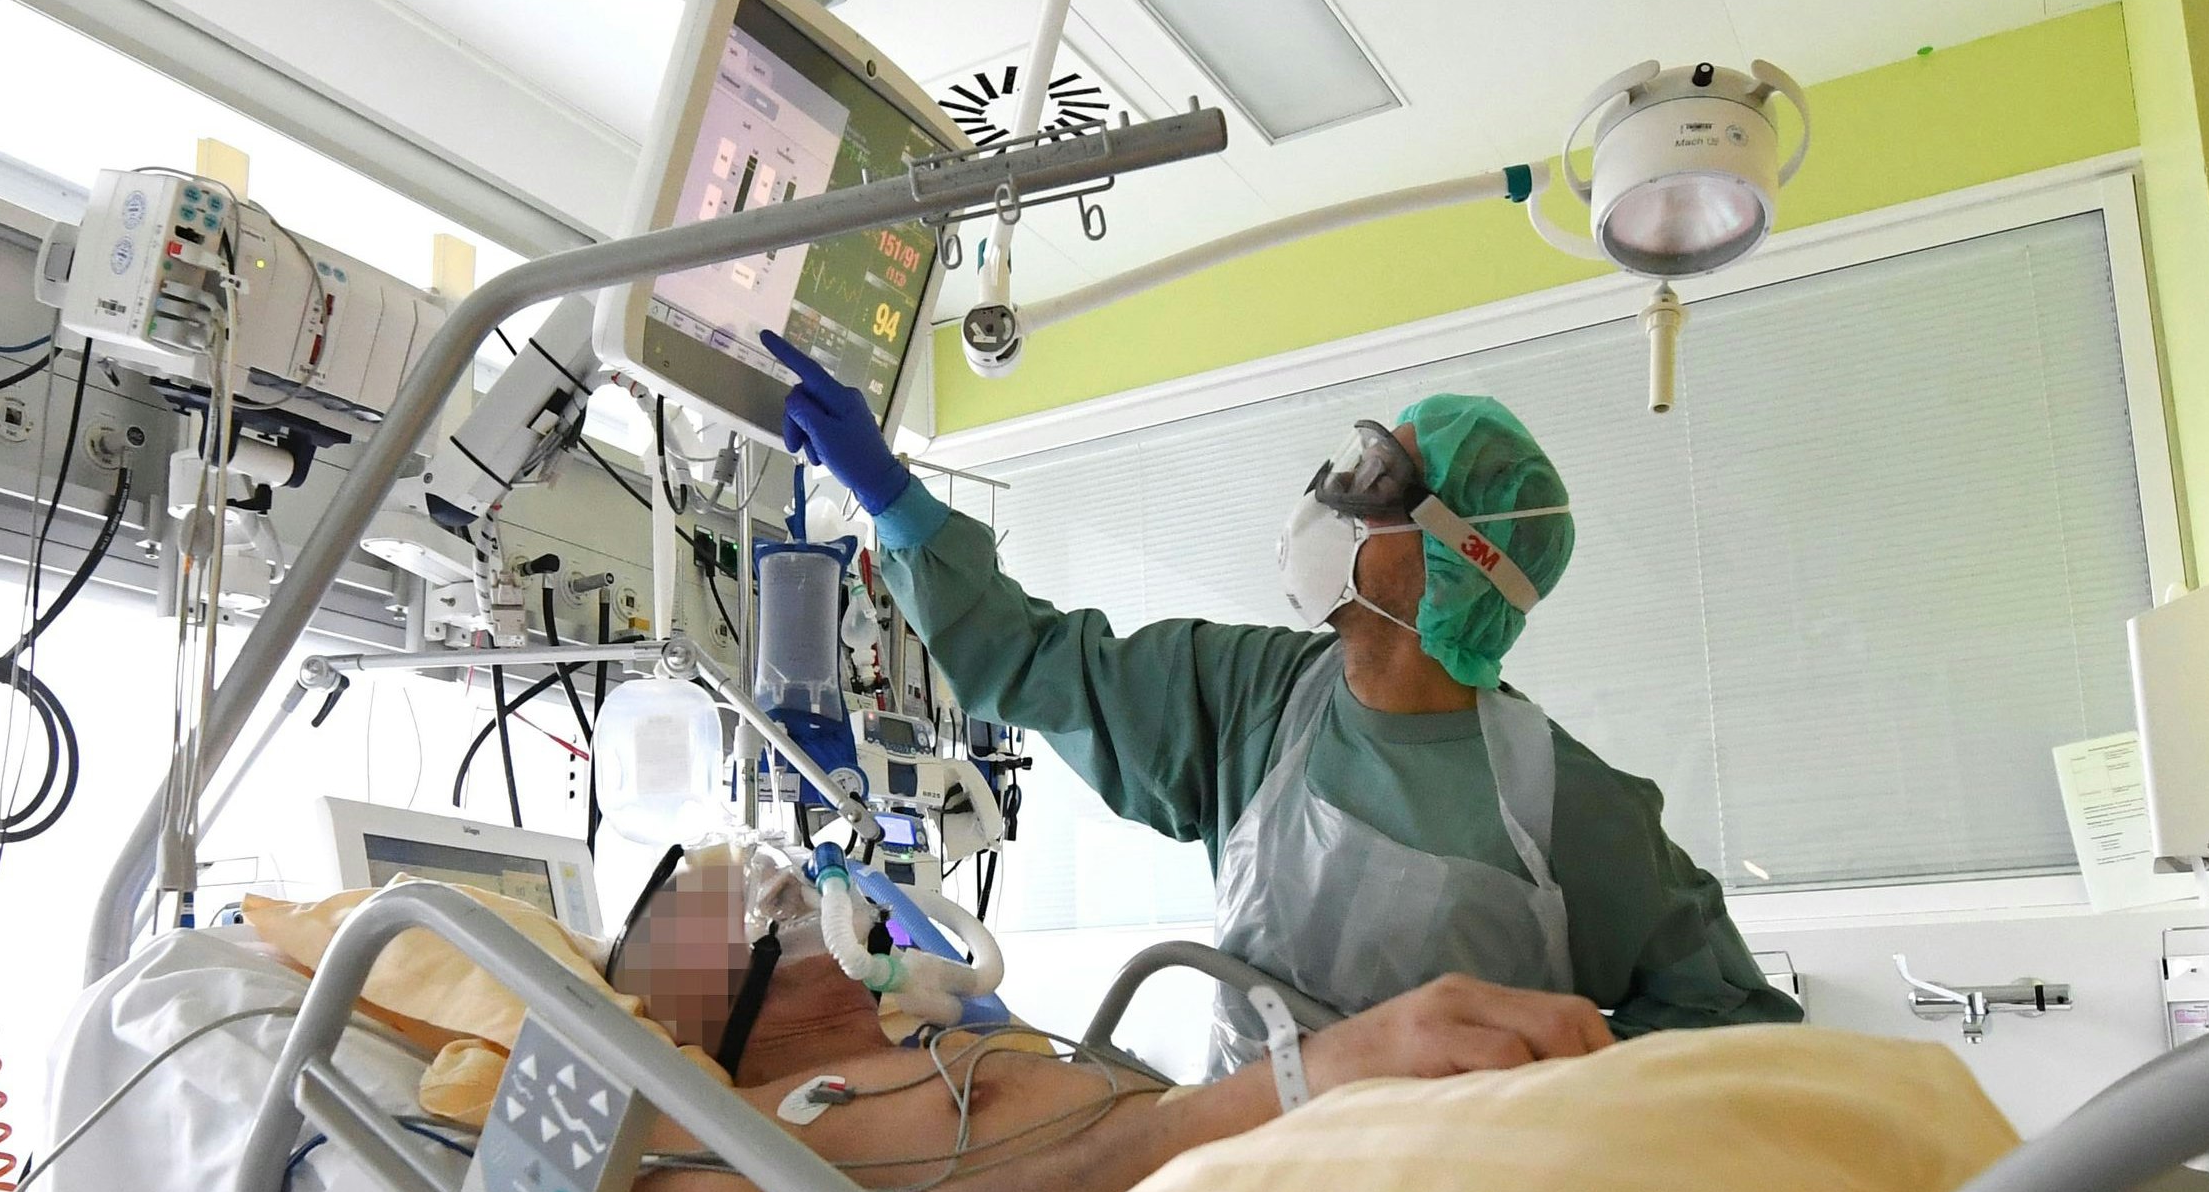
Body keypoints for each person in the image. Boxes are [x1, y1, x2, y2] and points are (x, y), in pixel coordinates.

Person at [765, 332, 1793, 1058]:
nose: (1333, 493)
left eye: (1379, 481)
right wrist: (892, 499)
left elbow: (1738, 1027)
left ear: (1454, 561)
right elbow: (1034, 661)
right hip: (1243, 1168)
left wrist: (1531, 1080)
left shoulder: (1563, 805)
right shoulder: (1254, 697)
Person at [606, 848, 1612, 1192]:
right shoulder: (695, 1138)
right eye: (770, 902)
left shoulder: (907, 1041)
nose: (810, 894)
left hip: (1256, 1166)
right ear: (713, 1001)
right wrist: (1297, 1080)